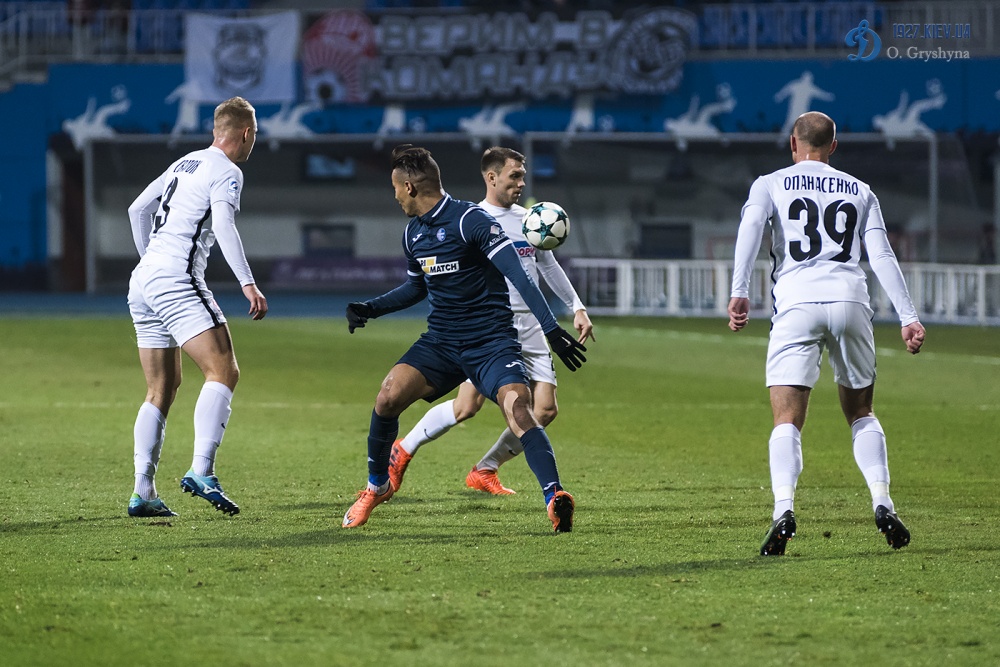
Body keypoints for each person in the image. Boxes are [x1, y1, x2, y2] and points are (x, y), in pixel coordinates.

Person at [342, 145, 587, 532]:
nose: (395, 196)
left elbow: (520, 276)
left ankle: (554, 497)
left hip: (490, 342)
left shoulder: (470, 220)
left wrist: (552, 329)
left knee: (519, 408)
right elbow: (415, 288)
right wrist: (370, 308)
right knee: (387, 397)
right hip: (441, 341)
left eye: (395, 188)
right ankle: (377, 487)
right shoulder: (413, 233)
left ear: (409, 187)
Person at [728, 111, 925, 556]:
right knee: (861, 412)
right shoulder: (861, 190)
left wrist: (739, 292)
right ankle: (882, 501)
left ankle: (783, 509)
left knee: (787, 418)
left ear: (792, 144)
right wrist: (908, 316)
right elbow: (882, 256)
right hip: (850, 301)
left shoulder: (769, 183)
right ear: (833, 146)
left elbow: (751, 229)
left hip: (797, 302)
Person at [125, 96, 268, 518]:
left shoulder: (184, 162)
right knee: (223, 370)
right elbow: (223, 224)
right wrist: (247, 282)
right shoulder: (227, 170)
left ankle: (143, 491)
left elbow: (137, 209)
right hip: (174, 278)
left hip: (143, 280)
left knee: (161, 388)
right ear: (246, 133)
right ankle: (202, 470)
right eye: (255, 134)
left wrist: (150, 260)